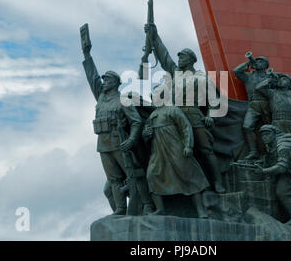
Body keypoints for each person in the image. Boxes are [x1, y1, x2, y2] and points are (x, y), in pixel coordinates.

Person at [143, 23, 225, 193]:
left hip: (193, 114)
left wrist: (210, 115)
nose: (178, 60)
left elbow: (215, 100)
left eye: (182, 57)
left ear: (190, 60)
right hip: (173, 115)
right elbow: (164, 56)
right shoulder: (175, 73)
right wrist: (154, 35)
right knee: (177, 152)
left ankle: (218, 182)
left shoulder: (200, 77)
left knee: (205, 149)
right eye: (178, 57)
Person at [82, 40, 153, 215]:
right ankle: (121, 209)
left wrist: (131, 140)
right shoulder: (101, 97)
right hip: (103, 144)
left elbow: (136, 121)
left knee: (135, 175)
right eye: (103, 80)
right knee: (114, 179)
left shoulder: (123, 99)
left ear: (115, 83)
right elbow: (92, 77)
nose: (103, 82)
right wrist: (87, 55)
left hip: (119, 142)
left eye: (107, 80)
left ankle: (148, 204)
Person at [142, 85, 209, 218]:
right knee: (152, 175)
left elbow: (185, 127)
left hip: (175, 148)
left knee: (188, 174)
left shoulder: (172, 110)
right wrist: (146, 134)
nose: (153, 98)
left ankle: (200, 209)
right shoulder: (152, 115)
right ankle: (160, 209)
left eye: (155, 95)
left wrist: (188, 145)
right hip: (158, 151)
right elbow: (146, 135)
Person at [233, 55, 271, 159]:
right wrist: (248, 63)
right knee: (247, 127)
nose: (258, 63)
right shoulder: (249, 76)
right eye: (257, 61)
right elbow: (236, 71)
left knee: (271, 127)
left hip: (267, 104)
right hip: (253, 104)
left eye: (261, 61)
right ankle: (253, 151)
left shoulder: (270, 77)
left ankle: (272, 150)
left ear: (265, 65)